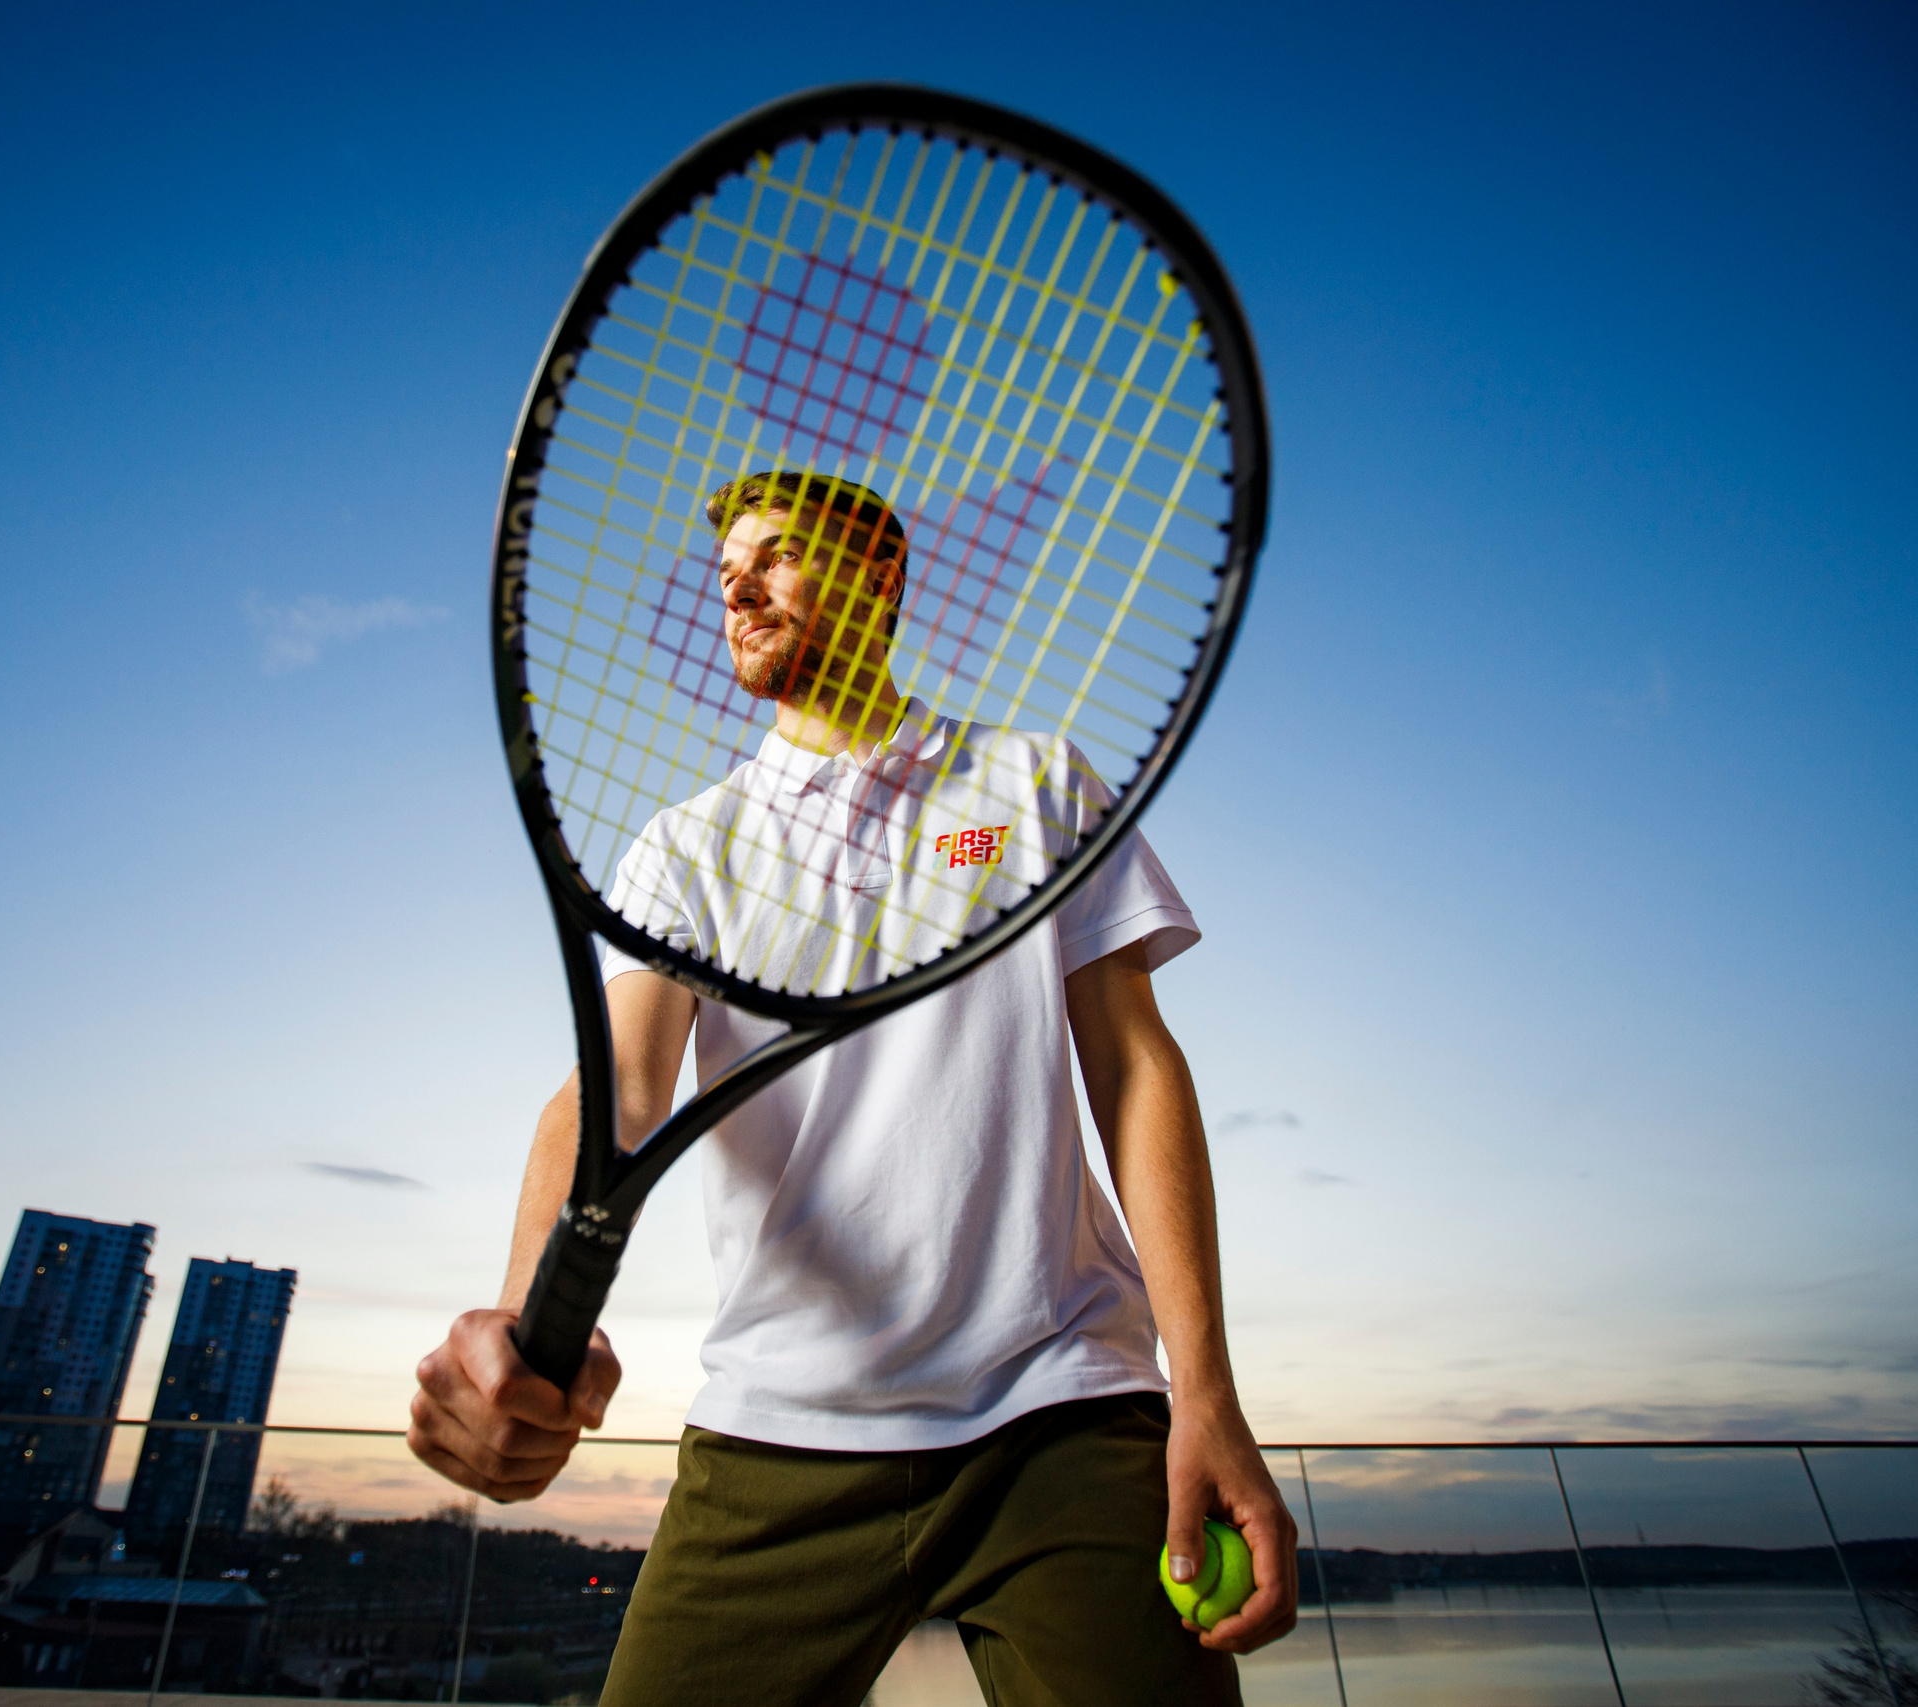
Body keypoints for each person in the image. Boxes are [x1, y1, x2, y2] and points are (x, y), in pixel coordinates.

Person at [409, 470, 1296, 1704]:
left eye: (777, 553)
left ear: (879, 571)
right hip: (780, 1430)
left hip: (1064, 1412)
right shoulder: (688, 849)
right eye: (727, 571)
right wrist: (520, 1320)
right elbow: (611, 1091)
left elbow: (1135, 1067)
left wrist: (1205, 1393)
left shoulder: (1033, 782)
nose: (738, 587)